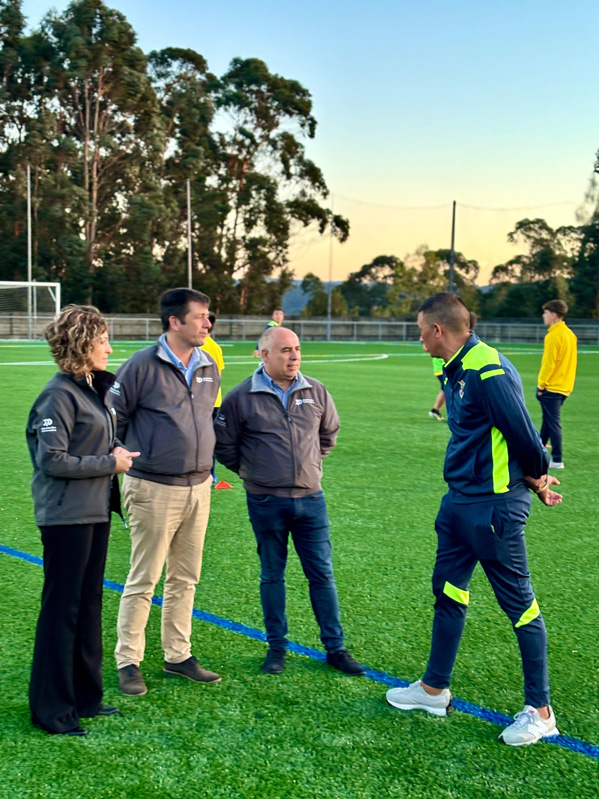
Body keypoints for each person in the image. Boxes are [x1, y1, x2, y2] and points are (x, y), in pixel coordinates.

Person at [386, 293, 563, 747]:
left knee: (519, 604)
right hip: (459, 503)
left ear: (439, 331)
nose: (418, 336)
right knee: (447, 590)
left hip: (495, 506)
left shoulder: (489, 368)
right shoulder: (449, 366)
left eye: (421, 329)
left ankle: (540, 712)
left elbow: (526, 436)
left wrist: (538, 482)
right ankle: (433, 689)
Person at [215, 325, 364, 676]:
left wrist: (309, 466)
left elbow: (328, 434)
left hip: (311, 499)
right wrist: (255, 474)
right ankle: (277, 647)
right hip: (266, 501)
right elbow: (224, 446)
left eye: (297, 348)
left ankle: (336, 648)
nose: (294, 355)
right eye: (285, 350)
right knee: (272, 575)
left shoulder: (316, 390)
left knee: (322, 575)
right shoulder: (241, 397)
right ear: (264, 355)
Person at [26, 305, 139, 736]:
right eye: (104, 340)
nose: (110, 347)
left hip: (92, 512)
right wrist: (110, 464)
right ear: (83, 344)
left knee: (88, 606)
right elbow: (51, 460)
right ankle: (52, 711)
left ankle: (85, 699)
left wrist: (116, 458)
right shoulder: (57, 395)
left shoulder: (92, 389)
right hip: (65, 517)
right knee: (62, 611)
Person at [112, 288, 222, 696]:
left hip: (198, 487)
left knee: (185, 578)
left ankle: (178, 655)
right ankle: (129, 661)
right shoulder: (141, 365)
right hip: (152, 487)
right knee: (145, 578)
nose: (207, 324)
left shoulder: (209, 363)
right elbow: (112, 419)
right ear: (175, 322)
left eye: (208, 316)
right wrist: (119, 453)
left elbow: (206, 419)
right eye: (200, 317)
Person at [537, 299, 577, 469]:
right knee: (548, 420)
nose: (543, 316)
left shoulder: (553, 335)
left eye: (545, 313)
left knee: (552, 422)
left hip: (551, 386)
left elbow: (549, 364)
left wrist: (541, 385)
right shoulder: (570, 334)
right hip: (564, 386)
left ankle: (557, 460)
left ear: (553, 315)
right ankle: (537, 449)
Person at [200, 311, 231, 489]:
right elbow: (218, 375)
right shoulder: (215, 347)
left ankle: (206, 473)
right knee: (209, 439)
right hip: (215, 401)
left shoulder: (200, 346)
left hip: (203, 401)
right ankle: (210, 473)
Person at [429, 312, 476, 421]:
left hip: (445, 367)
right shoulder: (450, 334)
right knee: (452, 389)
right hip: (443, 367)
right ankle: (454, 414)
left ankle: (435, 410)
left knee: (448, 389)